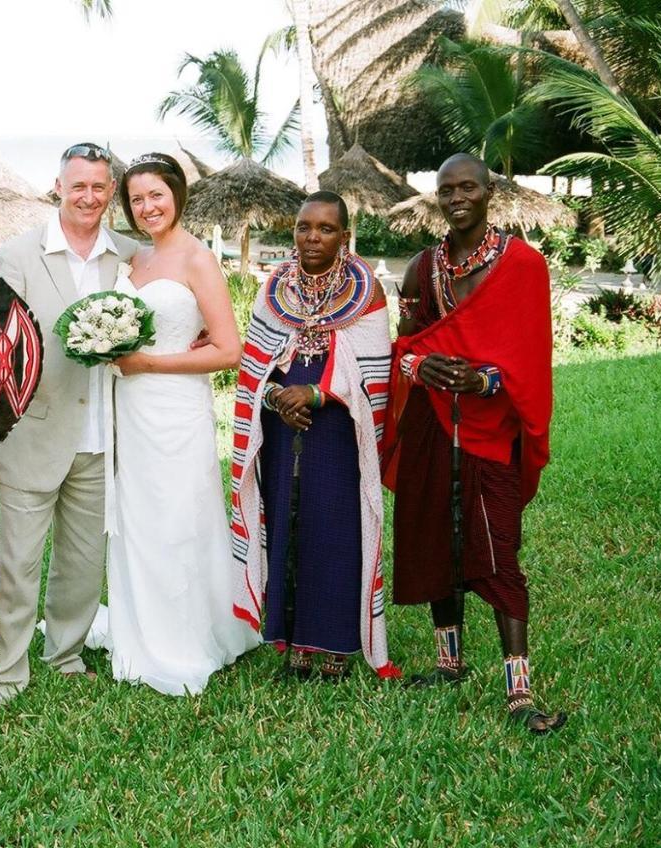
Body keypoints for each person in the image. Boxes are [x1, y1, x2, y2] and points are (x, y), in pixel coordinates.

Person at [383, 153, 567, 733]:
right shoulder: (421, 269)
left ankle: (519, 690)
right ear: (436, 197)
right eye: (447, 189)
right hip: (434, 424)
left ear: (491, 193)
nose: (457, 196)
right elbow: (405, 349)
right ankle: (449, 662)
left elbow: (533, 360)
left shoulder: (523, 265)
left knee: (497, 551)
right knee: (437, 533)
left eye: (468, 187)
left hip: (493, 430)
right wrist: (425, 370)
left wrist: (484, 379)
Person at [0, 143, 139, 707]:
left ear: (110, 191)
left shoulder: (129, 255)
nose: (88, 197)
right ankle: (7, 670)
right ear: (59, 188)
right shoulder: (20, 253)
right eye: (78, 187)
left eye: (99, 187)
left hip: (102, 431)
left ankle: (65, 652)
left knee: (82, 559)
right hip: (33, 428)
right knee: (18, 562)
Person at [101, 152, 261, 695]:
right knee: (136, 515)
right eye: (137, 199)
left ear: (177, 195)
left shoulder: (196, 258)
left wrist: (149, 363)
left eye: (156, 196)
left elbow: (228, 349)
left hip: (175, 407)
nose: (147, 208)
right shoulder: (132, 260)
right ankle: (137, 627)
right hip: (128, 410)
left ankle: (186, 636)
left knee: (178, 515)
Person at [230, 192, 400, 682]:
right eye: (304, 227)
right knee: (288, 519)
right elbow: (256, 362)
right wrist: (277, 397)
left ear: (344, 237)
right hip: (284, 426)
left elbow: (374, 373)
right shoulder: (276, 287)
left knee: (334, 528)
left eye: (326, 229)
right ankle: (293, 641)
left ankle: (336, 646)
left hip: (338, 429)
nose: (312, 237)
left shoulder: (366, 290)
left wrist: (317, 395)